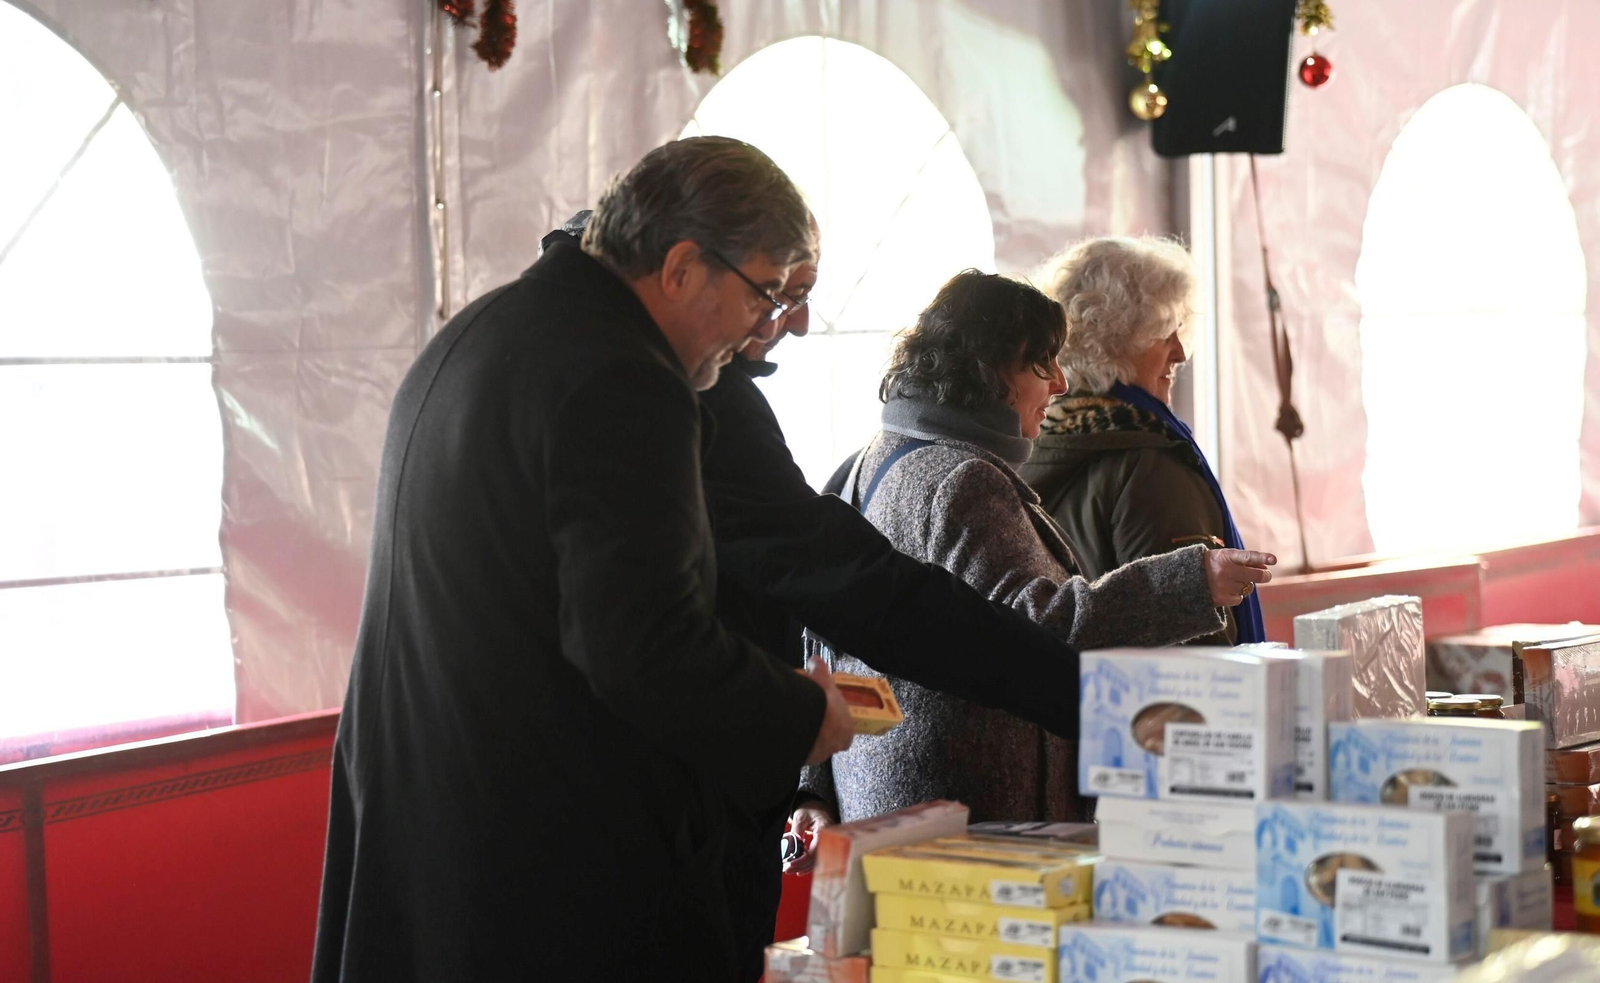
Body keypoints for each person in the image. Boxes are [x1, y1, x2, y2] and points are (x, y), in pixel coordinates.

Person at [311, 137, 858, 982]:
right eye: (764, 293)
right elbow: (641, 642)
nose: (764, 328)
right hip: (543, 861)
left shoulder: (483, 330)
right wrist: (796, 713)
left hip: (429, 822)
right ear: (682, 266)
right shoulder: (623, 378)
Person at [546, 211, 1091, 982]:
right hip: (660, 838)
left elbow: (813, 603)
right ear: (679, 270)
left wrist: (810, 778)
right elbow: (839, 592)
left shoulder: (551, 348)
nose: (797, 323)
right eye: (775, 293)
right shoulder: (669, 394)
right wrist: (1108, 684)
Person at [803, 270, 1274, 825]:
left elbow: (820, 639)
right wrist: (1195, 580)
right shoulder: (963, 479)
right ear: (991, 371)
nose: (1060, 384)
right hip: (971, 808)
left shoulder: (866, 460)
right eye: (1042, 364)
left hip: (882, 796)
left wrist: (814, 790)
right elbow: (1034, 629)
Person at [1018, 236, 1266, 644]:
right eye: (1165, 332)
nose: (1181, 353)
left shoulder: (1034, 441)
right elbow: (1192, 639)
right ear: (1114, 342)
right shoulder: (1149, 464)